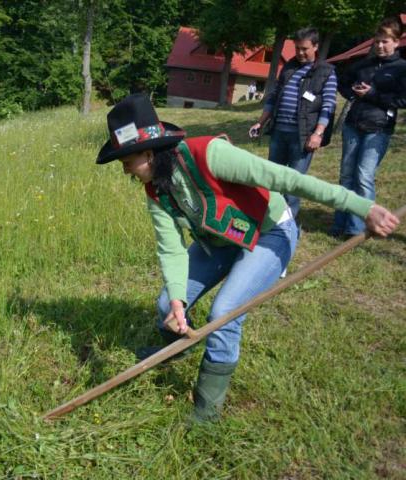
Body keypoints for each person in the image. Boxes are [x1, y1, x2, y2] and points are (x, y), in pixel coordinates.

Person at [96, 93, 399, 423]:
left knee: (224, 314)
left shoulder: (210, 154)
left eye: (127, 161)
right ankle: (180, 347)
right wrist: (178, 303)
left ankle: (207, 412)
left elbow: (287, 179)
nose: (125, 170)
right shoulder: (155, 190)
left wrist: (363, 207)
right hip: (220, 242)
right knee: (166, 303)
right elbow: (171, 249)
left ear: (148, 153)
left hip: (269, 232)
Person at [249, 27, 338, 217]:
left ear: (315, 46)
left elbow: (328, 105)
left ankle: (287, 223)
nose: (300, 52)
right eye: (297, 48)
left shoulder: (326, 72)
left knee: (294, 184)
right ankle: (269, 219)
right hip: (279, 132)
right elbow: (273, 97)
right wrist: (260, 123)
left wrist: (318, 134)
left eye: (304, 49)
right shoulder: (289, 67)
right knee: (273, 180)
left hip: (302, 136)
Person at [330, 18, 406, 237]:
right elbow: (342, 81)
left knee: (363, 177)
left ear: (396, 42)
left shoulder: (402, 68)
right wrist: (353, 93)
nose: (380, 46)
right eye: (377, 41)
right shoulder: (364, 64)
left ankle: (357, 229)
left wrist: (372, 95)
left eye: (385, 42)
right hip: (353, 125)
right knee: (346, 176)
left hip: (379, 129)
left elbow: (403, 99)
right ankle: (339, 224)